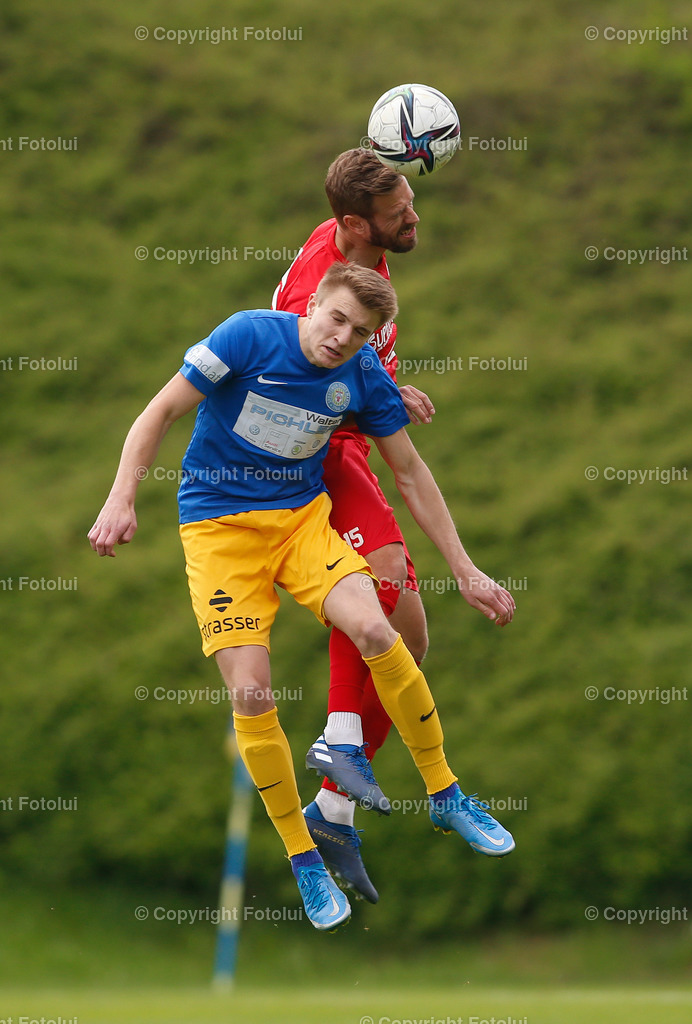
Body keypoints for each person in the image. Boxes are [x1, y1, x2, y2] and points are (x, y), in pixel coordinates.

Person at [88, 262, 515, 932]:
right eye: (335, 318)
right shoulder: (247, 336)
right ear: (312, 303)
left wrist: (464, 569)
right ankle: (304, 860)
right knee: (252, 691)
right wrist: (120, 499)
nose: (341, 338)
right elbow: (160, 410)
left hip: (299, 522)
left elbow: (408, 469)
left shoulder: (363, 376)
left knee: (379, 632)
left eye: (360, 332)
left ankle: (444, 791)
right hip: (220, 532)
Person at [273, 149, 515, 903]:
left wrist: (375, 380)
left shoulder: (357, 245)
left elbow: (346, 366)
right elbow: (289, 386)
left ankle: (335, 810)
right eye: (399, 210)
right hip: (308, 456)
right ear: (353, 226)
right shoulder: (321, 284)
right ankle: (359, 755)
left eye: (409, 199)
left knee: (409, 639)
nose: (414, 215)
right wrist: (367, 388)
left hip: (341, 439)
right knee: (377, 589)